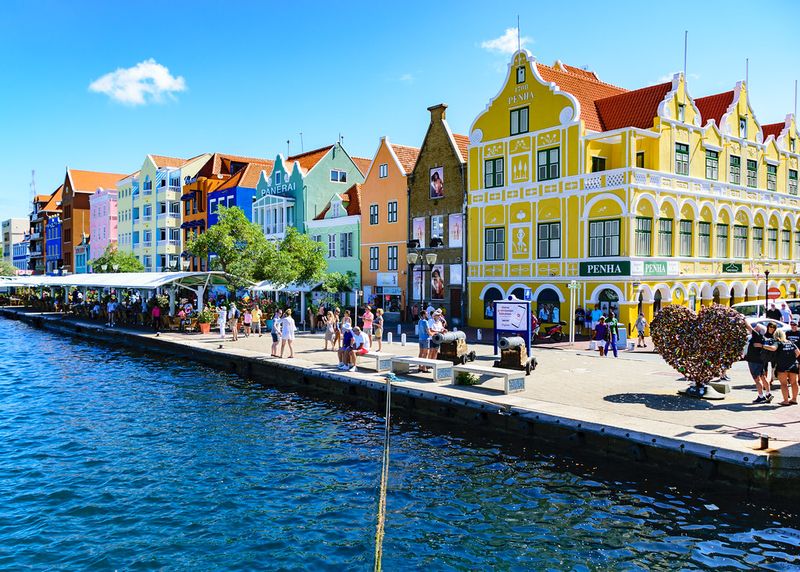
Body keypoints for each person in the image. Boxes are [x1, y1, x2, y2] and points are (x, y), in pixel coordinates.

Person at [744, 323, 772, 403]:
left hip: (753, 361)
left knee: (757, 379)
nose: (755, 327)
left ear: (759, 330)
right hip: (760, 360)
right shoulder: (762, 338)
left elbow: (748, 327)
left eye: (757, 327)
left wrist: (743, 318)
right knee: (763, 377)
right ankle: (768, 394)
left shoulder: (757, 335)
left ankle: (761, 396)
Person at [770, 329, 799, 406]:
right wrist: (791, 359)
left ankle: (786, 401)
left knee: (783, 384)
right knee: (794, 383)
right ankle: (794, 399)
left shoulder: (778, 343)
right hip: (793, 365)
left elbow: (773, 348)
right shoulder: (791, 342)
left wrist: (763, 346)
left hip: (782, 366)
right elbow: (798, 352)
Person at [762, 321, 779, 388]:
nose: (771, 328)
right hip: (765, 354)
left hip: (773, 354)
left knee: (773, 367)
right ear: (768, 327)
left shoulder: (776, 336)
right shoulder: (764, 335)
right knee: (765, 367)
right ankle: (765, 382)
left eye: (773, 327)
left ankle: (771, 380)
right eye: (770, 327)